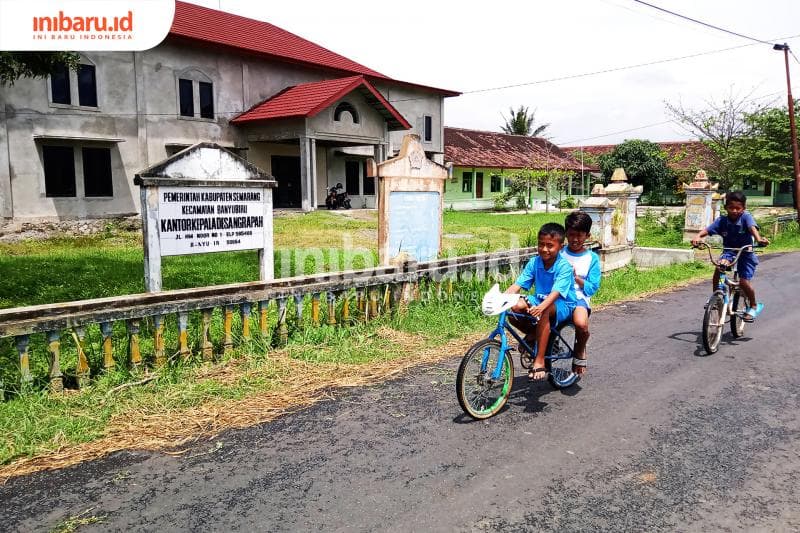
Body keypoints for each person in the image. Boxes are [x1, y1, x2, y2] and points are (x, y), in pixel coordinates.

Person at [504, 222, 577, 381]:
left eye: (550, 245)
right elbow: (518, 285)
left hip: (563, 303)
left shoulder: (563, 266)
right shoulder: (534, 262)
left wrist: (541, 307)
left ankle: (540, 360)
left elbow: (556, 293)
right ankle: (533, 333)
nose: (544, 249)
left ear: (560, 246)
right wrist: (502, 298)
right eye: (541, 244)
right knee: (514, 306)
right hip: (540, 299)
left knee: (544, 311)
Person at [691, 191, 769, 321]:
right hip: (729, 252)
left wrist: (759, 240)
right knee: (719, 269)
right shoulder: (722, 220)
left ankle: (754, 305)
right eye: (731, 207)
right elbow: (708, 230)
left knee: (744, 283)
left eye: (738, 208)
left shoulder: (746, 217)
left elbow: (752, 228)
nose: (734, 211)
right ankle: (717, 296)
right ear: (726, 207)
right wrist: (698, 236)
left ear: (743, 208)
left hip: (746, 252)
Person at [560, 211, 602, 375]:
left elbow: (592, 287)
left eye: (579, 235)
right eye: (571, 235)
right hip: (558, 297)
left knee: (581, 325)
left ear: (587, 235)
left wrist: (576, 278)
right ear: (566, 234)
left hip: (578, 298)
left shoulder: (592, 258)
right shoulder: (559, 253)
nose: (575, 239)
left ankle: (580, 349)